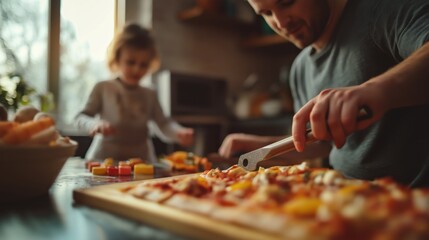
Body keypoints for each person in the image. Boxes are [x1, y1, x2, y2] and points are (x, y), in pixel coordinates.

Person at [219, 0, 429, 187]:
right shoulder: (300, 68)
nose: (281, 23)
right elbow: (322, 142)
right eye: (266, 13)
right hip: (342, 201)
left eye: (286, 3)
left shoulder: (383, 10)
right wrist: (264, 148)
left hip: (411, 203)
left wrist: (375, 91)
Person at [75, 23, 194, 163]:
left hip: (142, 164)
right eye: (130, 62)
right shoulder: (103, 87)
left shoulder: (150, 94)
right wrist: (94, 124)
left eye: (143, 65)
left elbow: (163, 124)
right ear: (117, 58)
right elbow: (80, 117)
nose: (137, 69)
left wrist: (179, 132)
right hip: (102, 162)